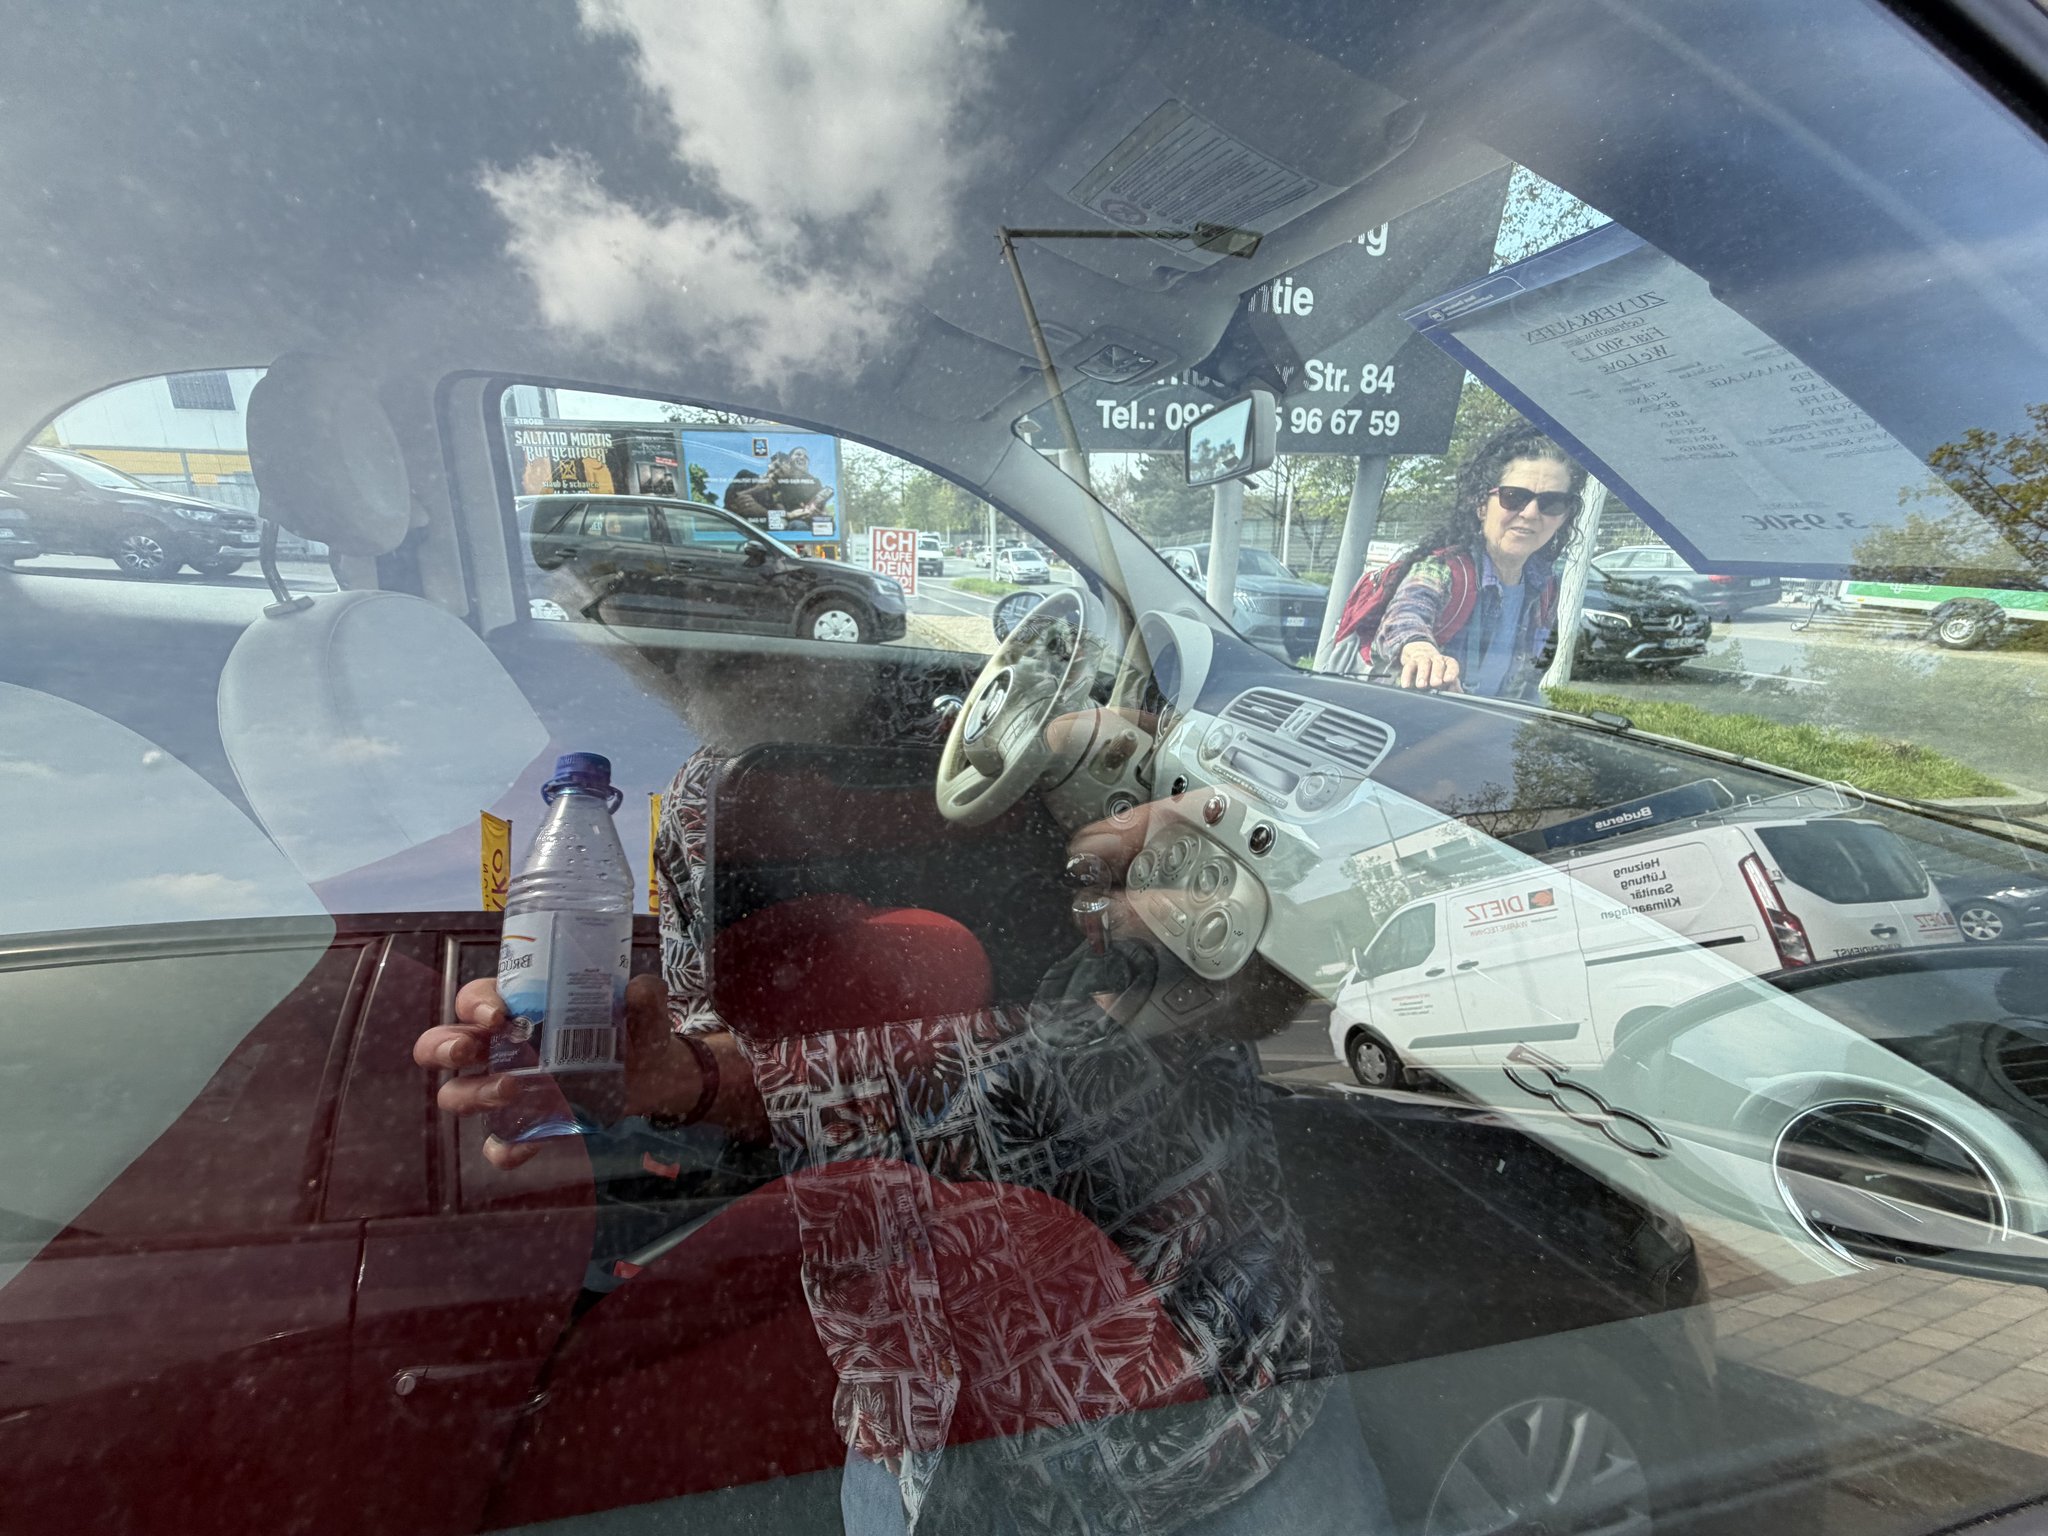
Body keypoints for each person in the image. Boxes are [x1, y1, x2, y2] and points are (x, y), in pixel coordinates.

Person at [416, 738, 1390, 1535]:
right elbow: (723, 1056)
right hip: (918, 1442)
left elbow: (1242, 988)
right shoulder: (708, 798)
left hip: (1221, 1428)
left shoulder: (1080, 743)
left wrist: (710, 1081)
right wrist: (653, 1076)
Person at [1329, 422, 1586, 700]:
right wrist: (1419, 649)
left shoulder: (1545, 590)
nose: (1531, 513)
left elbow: (1524, 688)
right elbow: (1406, 614)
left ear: (1565, 516)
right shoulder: (1442, 570)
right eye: (1514, 497)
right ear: (1481, 505)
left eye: (1552, 503)